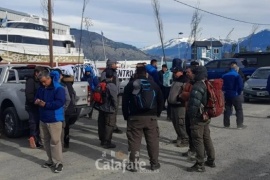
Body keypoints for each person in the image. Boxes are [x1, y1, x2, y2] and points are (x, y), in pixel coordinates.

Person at [122, 65, 164, 172]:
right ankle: (154, 164)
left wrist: (126, 115)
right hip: (151, 118)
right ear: (146, 74)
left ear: (136, 73)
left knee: (134, 142)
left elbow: (125, 102)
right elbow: (161, 101)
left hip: (134, 118)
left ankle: (133, 165)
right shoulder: (154, 85)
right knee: (153, 141)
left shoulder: (131, 85)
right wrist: (157, 113)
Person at [35, 70, 65, 173]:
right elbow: (37, 96)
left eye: (44, 81)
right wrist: (37, 101)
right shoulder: (41, 88)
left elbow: (60, 103)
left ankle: (58, 162)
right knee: (45, 140)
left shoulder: (58, 88)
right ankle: (50, 160)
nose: (43, 84)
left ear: (49, 78)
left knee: (55, 142)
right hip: (43, 118)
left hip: (54, 119)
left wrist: (46, 105)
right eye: (41, 82)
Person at [187, 66, 215, 172]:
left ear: (197, 74)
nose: (192, 75)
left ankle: (199, 164)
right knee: (206, 138)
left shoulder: (197, 86)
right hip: (206, 116)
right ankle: (211, 160)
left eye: (194, 73)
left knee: (198, 140)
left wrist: (191, 117)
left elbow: (194, 104)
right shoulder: (207, 83)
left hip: (198, 118)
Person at [180, 61, 199, 158]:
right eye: (186, 72)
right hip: (188, 108)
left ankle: (197, 152)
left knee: (195, 133)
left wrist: (183, 94)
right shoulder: (189, 82)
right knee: (188, 130)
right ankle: (191, 149)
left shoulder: (196, 83)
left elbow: (192, 95)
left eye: (188, 72)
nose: (186, 73)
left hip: (194, 110)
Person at [54, 69, 76, 149]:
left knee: (62, 128)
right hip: (69, 109)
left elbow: (68, 98)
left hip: (64, 110)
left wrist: (64, 108)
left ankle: (62, 143)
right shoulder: (68, 84)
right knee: (65, 127)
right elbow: (73, 97)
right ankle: (65, 143)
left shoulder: (62, 85)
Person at [25, 66, 46, 148]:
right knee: (33, 123)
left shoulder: (40, 81)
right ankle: (33, 139)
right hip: (32, 106)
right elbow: (29, 95)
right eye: (41, 73)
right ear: (36, 73)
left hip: (40, 105)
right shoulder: (31, 81)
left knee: (39, 124)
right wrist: (35, 101)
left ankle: (37, 140)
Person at [167, 66, 189, 147]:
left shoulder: (185, 80)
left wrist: (179, 98)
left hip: (180, 106)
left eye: (175, 72)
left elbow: (186, 93)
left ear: (181, 71)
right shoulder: (175, 80)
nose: (174, 74)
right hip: (173, 105)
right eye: (173, 72)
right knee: (175, 122)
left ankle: (185, 139)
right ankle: (179, 136)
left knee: (181, 123)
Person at [96, 69, 118, 149]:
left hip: (101, 107)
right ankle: (107, 142)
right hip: (109, 109)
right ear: (112, 77)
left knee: (101, 124)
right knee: (109, 125)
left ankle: (102, 140)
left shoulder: (101, 84)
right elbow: (114, 99)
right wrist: (115, 108)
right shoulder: (112, 86)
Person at [101, 59, 123, 134]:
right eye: (114, 64)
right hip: (110, 95)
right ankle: (110, 126)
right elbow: (103, 83)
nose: (116, 65)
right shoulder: (105, 72)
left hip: (116, 94)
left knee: (114, 112)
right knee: (111, 111)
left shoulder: (114, 72)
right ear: (111, 64)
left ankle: (113, 125)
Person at [222, 65, 246, 129]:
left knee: (227, 109)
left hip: (227, 94)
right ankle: (239, 125)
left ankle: (226, 125)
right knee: (238, 109)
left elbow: (222, 85)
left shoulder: (224, 75)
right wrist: (239, 92)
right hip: (235, 94)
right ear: (236, 69)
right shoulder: (237, 75)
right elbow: (240, 85)